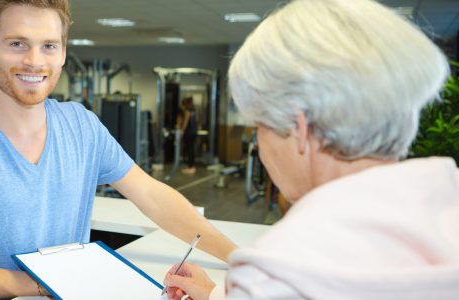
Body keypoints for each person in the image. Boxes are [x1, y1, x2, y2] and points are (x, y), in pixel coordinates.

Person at [0, 0, 236, 298]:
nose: (34, 61)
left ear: (63, 53)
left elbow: (153, 197)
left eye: (48, 45)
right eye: (17, 43)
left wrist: (239, 259)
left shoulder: (81, 126)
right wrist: (41, 284)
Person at [163, 0, 459, 299]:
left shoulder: (281, 270)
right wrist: (214, 294)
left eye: (261, 127)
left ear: (299, 129)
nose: (262, 151)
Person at [178, 96, 198, 174]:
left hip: (189, 132)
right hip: (194, 131)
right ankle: (191, 166)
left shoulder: (187, 111)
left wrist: (182, 131)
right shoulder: (194, 110)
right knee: (191, 149)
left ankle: (191, 167)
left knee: (190, 150)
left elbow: (186, 122)